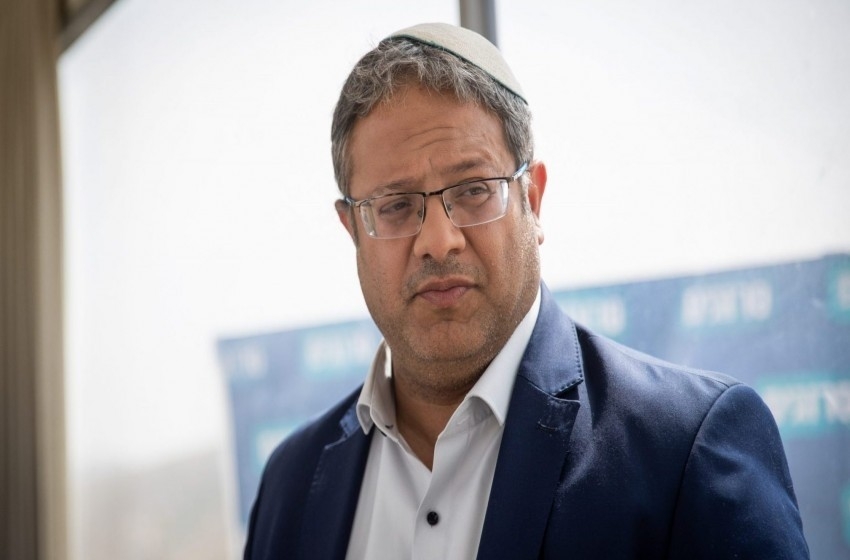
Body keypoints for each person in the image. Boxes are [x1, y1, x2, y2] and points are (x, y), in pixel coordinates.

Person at [243, 22, 809, 560]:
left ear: (532, 201)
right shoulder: (292, 483)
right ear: (352, 231)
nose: (438, 241)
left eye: (473, 190)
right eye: (394, 206)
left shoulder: (685, 449)